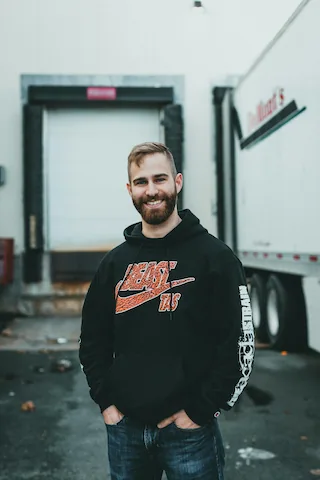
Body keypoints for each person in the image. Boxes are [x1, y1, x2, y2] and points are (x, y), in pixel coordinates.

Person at [79, 142, 255, 480]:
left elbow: (238, 341)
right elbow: (93, 339)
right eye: (141, 182)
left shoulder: (215, 258)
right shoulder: (114, 263)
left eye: (159, 179)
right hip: (125, 429)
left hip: (189, 432)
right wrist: (107, 403)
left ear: (178, 181)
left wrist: (202, 410)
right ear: (130, 190)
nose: (152, 190)